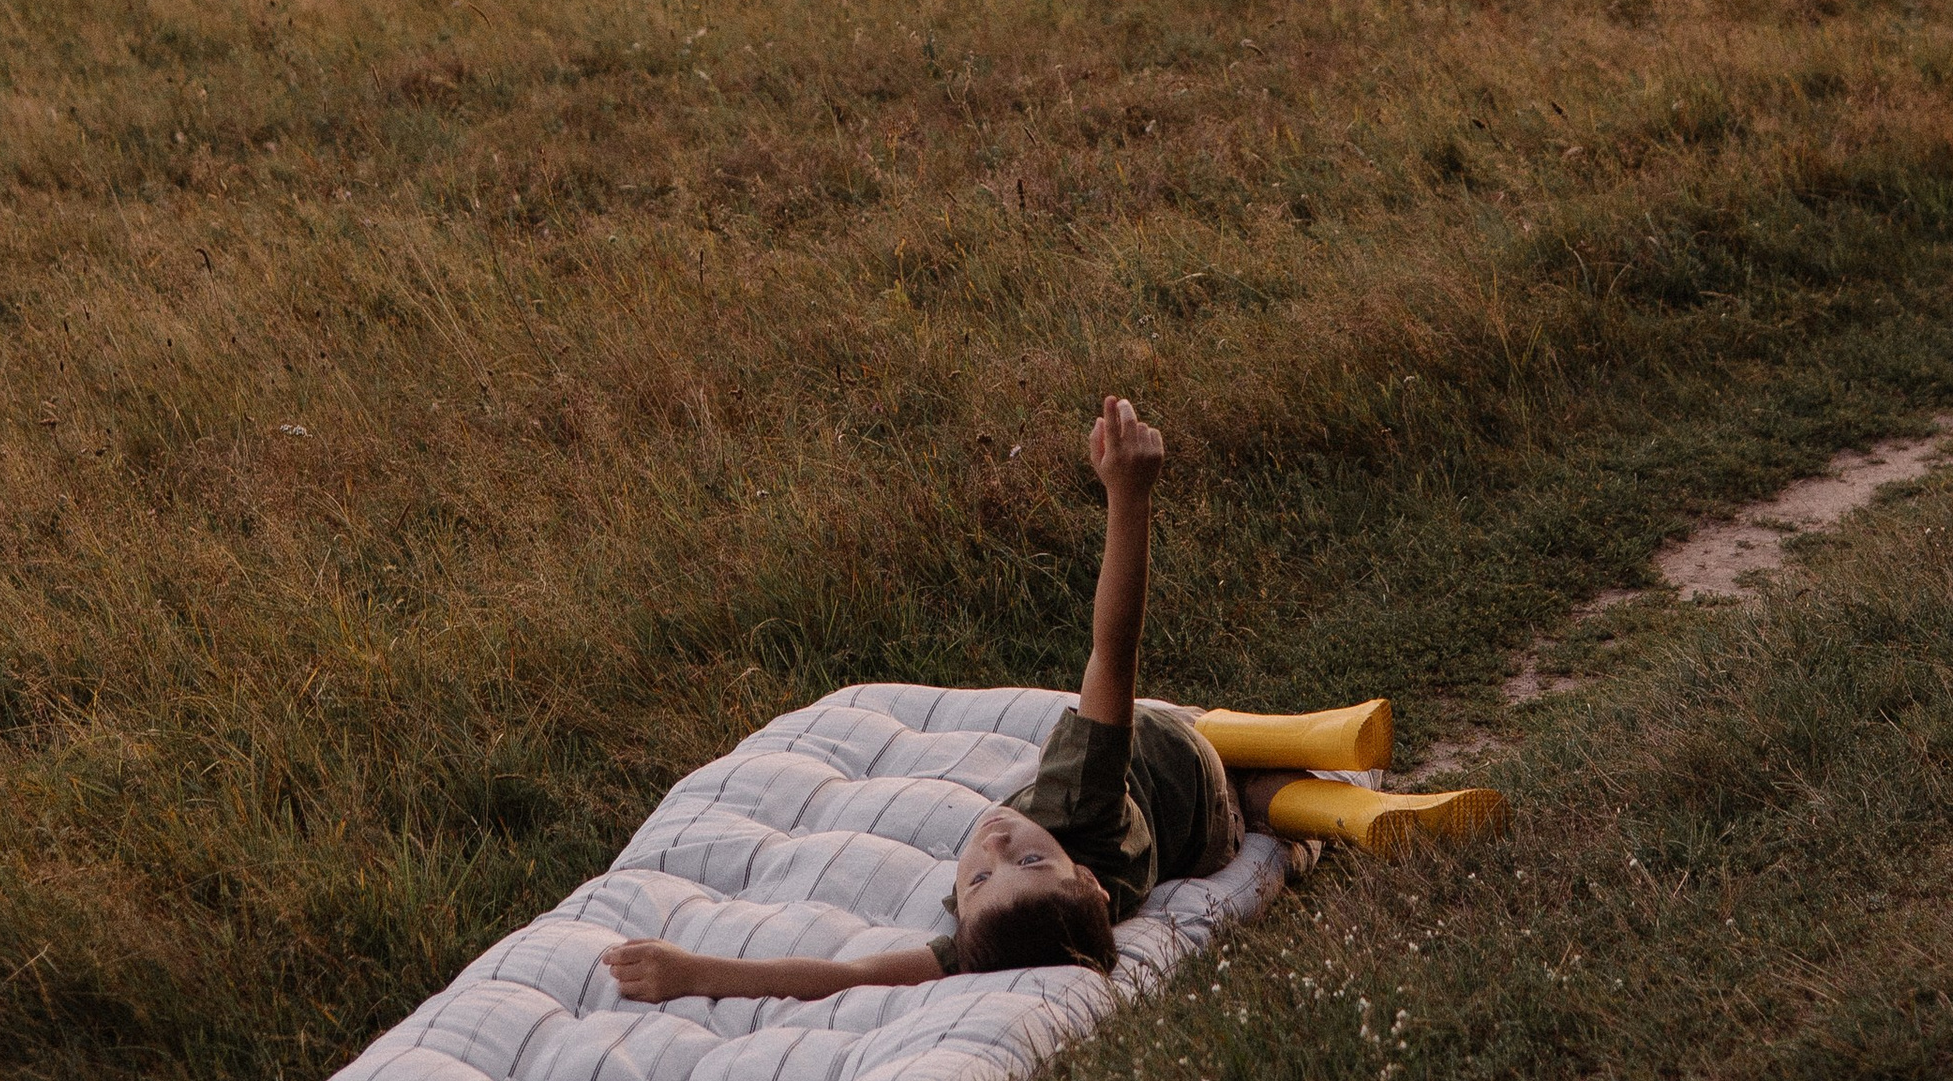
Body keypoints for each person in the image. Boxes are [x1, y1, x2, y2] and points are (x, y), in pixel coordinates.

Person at [600, 394, 1507, 1006]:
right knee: (1210, 742)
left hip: (1198, 833)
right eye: (1028, 861)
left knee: (1254, 798)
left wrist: (699, 972)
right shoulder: (1076, 808)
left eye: (981, 877)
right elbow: (1114, 653)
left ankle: (1342, 810)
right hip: (1179, 769)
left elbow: (852, 978)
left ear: (967, 920)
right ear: (1084, 880)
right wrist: (1128, 497)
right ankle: (1331, 750)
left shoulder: (1016, 927)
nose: (997, 847)